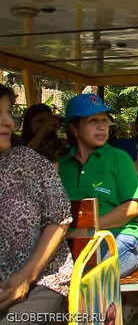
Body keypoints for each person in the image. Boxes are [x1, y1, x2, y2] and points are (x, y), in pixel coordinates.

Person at [0, 84, 74, 324]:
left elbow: (59, 220)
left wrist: (25, 277)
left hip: (40, 280)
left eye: (9, 112)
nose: (9, 122)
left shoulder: (30, 162)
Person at [58, 93, 138, 278]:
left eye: (104, 120)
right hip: (73, 241)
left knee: (87, 272)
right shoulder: (62, 166)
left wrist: (87, 230)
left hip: (119, 238)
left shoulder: (119, 159)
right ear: (74, 127)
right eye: (92, 121)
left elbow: (132, 208)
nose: (101, 126)